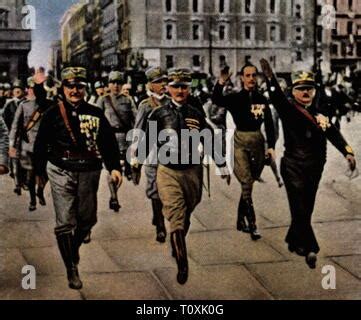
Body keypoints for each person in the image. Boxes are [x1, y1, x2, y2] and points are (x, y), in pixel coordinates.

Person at [260, 59, 357, 269]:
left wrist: (348, 152)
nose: (306, 93)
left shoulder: (319, 114)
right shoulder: (289, 109)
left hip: (314, 167)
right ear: (294, 91)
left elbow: (333, 133)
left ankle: (294, 240)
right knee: (300, 206)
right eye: (301, 89)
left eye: (309, 89)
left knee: (306, 207)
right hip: (293, 166)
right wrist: (271, 78)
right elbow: (277, 98)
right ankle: (311, 248)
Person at [33, 67, 122, 289]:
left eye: (79, 86)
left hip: (89, 170)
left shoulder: (95, 112)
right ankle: (71, 268)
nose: (75, 90)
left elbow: (107, 142)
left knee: (88, 220)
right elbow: (40, 145)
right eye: (70, 86)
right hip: (60, 169)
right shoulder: (52, 113)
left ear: (85, 88)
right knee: (65, 222)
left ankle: (72, 251)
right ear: (63, 88)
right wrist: (39, 174)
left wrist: (114, 167)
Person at [139, 68, 229, 285]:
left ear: (189, 88)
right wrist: (134, 162)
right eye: (175, 86)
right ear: (168, 88)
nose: (180, 90)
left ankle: (177, 240)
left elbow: (207, 138)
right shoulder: (157, 114)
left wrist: (221, 163)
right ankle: (182, 263)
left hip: (192, 171)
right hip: (168, 171)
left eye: (184, 86)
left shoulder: (195, 113)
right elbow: (145, 142)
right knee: (176, 214)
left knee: (187, 211)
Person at [212, 63, 276, 240]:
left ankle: (240, 219)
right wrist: (221, 81)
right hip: (240, 141)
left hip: (257, 141)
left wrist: (271, 146)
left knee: (250, 181)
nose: (251, 79)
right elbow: (216, 99)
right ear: (241, 78)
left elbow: (270, 124)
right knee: (246, 181)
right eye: (247, 76)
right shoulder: (235, 98)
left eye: (254, 75)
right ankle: (252, 223)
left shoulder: (262, 99)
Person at [131, 67, 169, 243]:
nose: (163, 85)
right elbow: (138, 131)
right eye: (159, 82)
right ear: (150, 85)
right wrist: (136, 158)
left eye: (165, 81)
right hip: (153, 153)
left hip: (171, 153)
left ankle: (159, 214)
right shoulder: (145, 106)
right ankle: (160, 227)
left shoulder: (171, 102)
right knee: (155, 189)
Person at [98, 71, 137, 212]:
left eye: (118, 83)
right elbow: (97, 120)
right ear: (108, 84)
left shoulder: (128, 100)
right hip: (109, 139)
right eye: (113, 83)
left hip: (125, 139)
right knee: (112, 168)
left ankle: (115, 192)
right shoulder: (103, 100)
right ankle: (114, 197)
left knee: (122, 169)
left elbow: (136, 119)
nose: (115, 86)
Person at [9, 77, 47, 211]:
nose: (31, 91)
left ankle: (40, 191)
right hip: (28, 145)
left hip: (43, 146)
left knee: (44, 173)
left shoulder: (46, 105)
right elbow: (15, 126)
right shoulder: (23, 105)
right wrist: (12, 144)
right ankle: (32, 200)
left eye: (34, 88)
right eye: (29, 88)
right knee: (30, 175)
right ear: (27, 90)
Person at [3, 79, 27, 195]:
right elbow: (4, 120)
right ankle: (17, 184)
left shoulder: (27, 104)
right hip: (12, 137)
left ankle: (24, 180)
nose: (17, 92)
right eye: (15, 90)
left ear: (23, 91)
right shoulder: (9, 105)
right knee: (14, 160)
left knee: (24, 159)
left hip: (25, 138)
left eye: (19, 90)